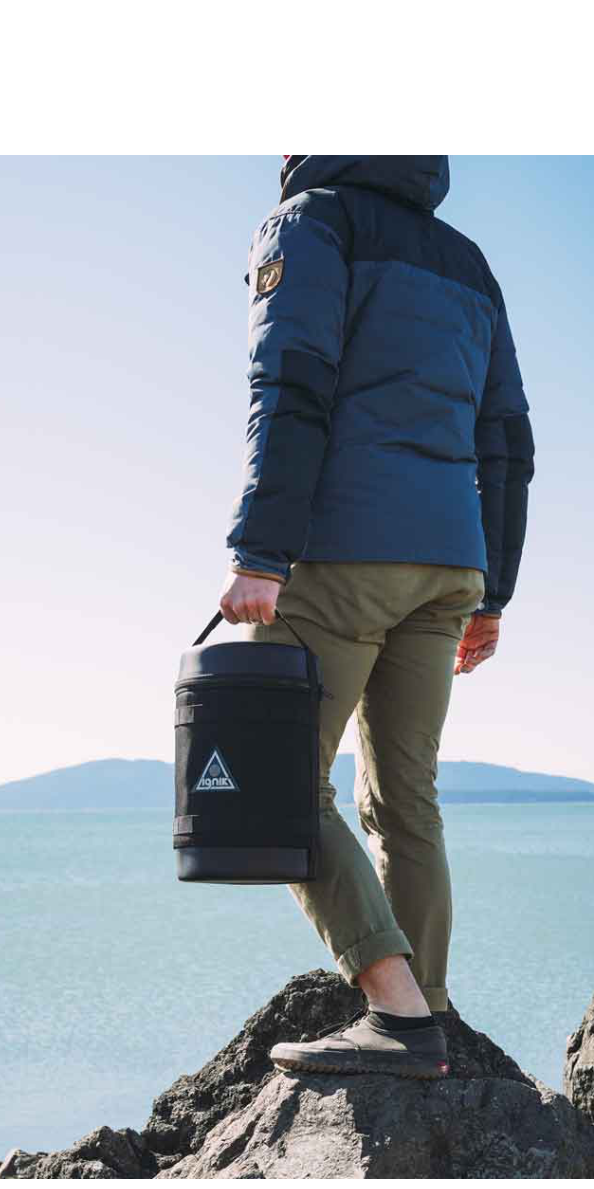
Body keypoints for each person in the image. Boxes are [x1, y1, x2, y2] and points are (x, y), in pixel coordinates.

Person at [219, 155, 534, 1080]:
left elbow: (290, 381)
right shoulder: (469, 261)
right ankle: (429, 1011)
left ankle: (396, 1012)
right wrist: (493, 592)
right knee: (405, 799)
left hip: (343, 550)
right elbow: (507, 440)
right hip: (450, 566)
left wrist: (260, 551)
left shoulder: (312, 220)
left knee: (274, 787)